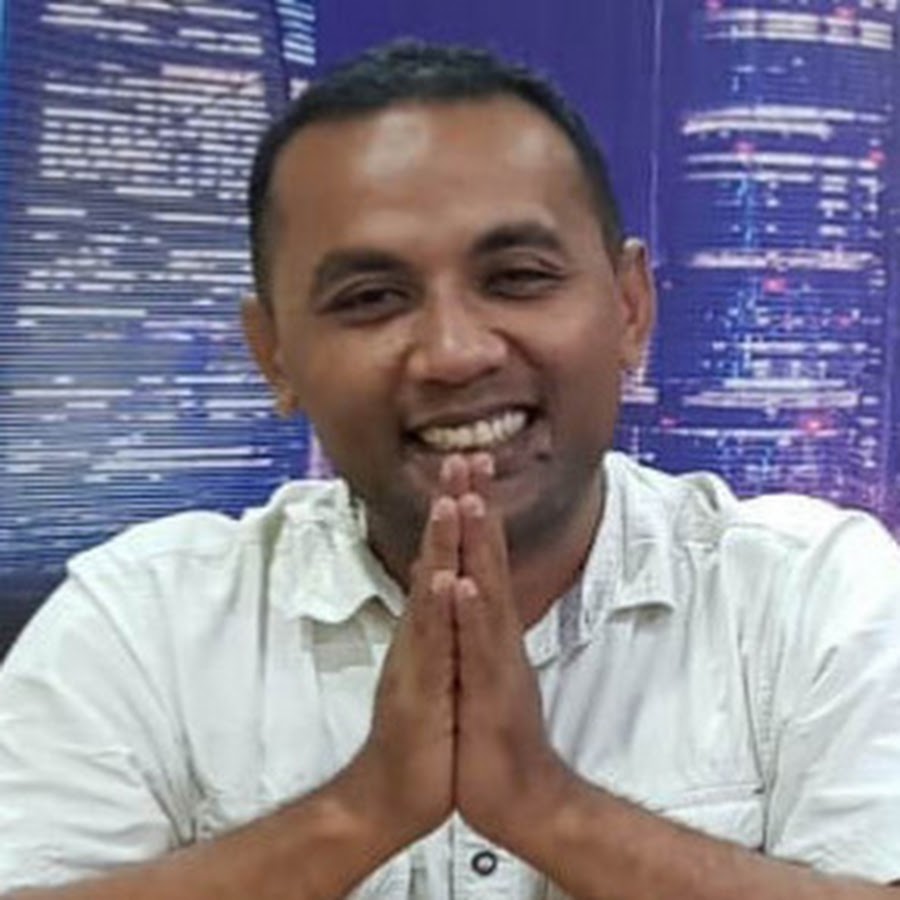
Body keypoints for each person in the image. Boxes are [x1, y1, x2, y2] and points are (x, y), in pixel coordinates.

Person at [1, 39, 899, 900]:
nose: (456, 352)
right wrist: (360, 811)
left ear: (630, 308)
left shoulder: (816, 596)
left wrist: (548, 808)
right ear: (273, 353)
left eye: (517, 277)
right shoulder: (141, 620)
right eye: (371, 298)